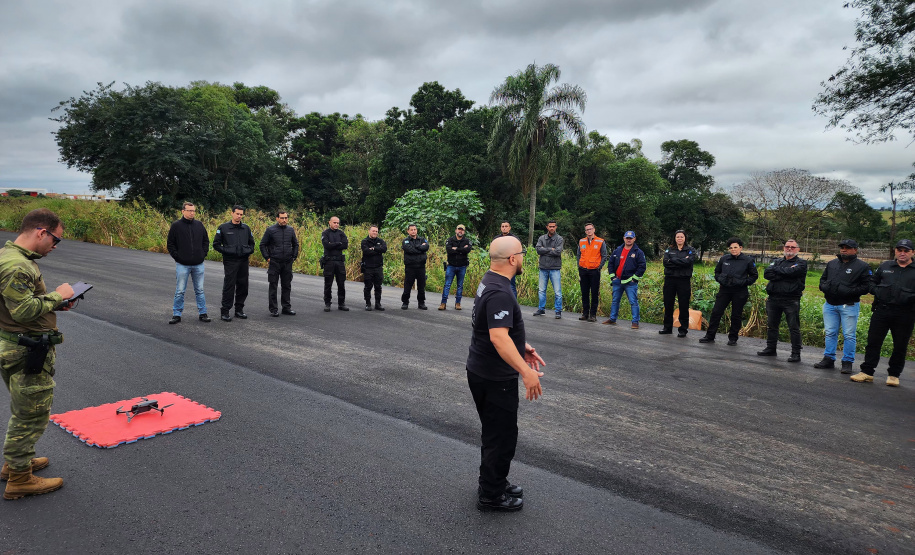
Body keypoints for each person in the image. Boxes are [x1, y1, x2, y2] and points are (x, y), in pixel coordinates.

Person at [466, 235, 545, 512]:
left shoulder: (490, 280)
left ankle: (494, 481)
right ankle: (491, 494)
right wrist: (525, 371)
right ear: (513, 259)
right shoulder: (500, 291)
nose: (523, 259)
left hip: (482, 369)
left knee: (495, 433)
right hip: (494, 377)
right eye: (522, 254)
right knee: (501, 437)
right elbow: (498, 337)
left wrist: (521, 347)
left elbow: (494, 328)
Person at [0, 208, 73, 500]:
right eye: (56, 239)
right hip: (25, 349)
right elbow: (23, 310)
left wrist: (53, 304)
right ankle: (19, 479)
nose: (55, 246)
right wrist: (58, 295)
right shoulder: (18, 265)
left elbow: (19, 304)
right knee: (31, 414)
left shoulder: (10, 257)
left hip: (16, 344)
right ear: (41, 232)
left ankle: (16, 463)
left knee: (24, 407)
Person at [850, 239, 915, 387]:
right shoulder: (885, 266)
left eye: (906, 250)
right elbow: (872, 282)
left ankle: (893, 375)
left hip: (905, 313)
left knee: (900, 345)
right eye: (899, 250)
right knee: (873, 342)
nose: (902, 253)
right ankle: (867, 372)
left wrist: (908, 297)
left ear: (912, 252)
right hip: (882, 310)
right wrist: (878, 291)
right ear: (895, 251)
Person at [814, 239, 872, 373]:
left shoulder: (863, 266)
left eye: (847, 247)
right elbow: (823, 279)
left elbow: (866, 286)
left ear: (855, 250)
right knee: (830, 333)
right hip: (830, 305)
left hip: (849, 305)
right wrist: (824, 287)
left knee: (849, 335)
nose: (844, 250)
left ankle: (847, 362)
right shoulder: (832, 263)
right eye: (842, 247)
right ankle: (828, 359)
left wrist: (849, 291)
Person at [699, 237, 758, 345]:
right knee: (716, 312)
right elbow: (717, 272)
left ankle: (733, 338)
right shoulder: (724, 259)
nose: (733, 249)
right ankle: (710, 336)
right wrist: (720, 279)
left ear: (740, 248)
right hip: (724, 290)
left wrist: (742, 282)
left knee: (736, 315)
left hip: (739, 291)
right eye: (731, 248)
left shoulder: (748, 261)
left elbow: (754, 276)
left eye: (735, 247)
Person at [758, 239, 808, 362]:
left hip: (791, 300)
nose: (789, 248)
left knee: (793, 327)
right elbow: (767, 274)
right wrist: (786, 273)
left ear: (797, 249)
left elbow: (793, 272)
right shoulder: (777, 261)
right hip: (773, 298)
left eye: (792, 247)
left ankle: (796, 353)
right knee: (772, 326)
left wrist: (779, 271)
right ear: (784, 248)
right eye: (787, 246)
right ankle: (771, 349)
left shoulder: (801, 263)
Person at [166, 202, 210, 324]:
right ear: (183, 211)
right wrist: (177, 257)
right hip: (182, 264)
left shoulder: (199, 225)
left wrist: (203, 254)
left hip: (198, 264)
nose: (192, 213)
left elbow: (206, 241)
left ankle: (203, 313)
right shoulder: (176, 226)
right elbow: (170, 244)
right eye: (189, 210)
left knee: (200, 290)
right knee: (180, 290)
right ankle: (177, 314)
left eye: (193, 211)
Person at [212, 205, 255, 322]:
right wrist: (228, 251)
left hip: (243, 261)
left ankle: (239, 310)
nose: (239, 216)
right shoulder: (223, 228)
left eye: (241, 214)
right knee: (229, 286)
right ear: (232, 213)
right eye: (237, 214)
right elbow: (216, 245)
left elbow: (252, 244)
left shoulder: (246, 228)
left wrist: (248, 251)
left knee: (243, 286)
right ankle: (225, 311)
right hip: (230, 261)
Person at [259, 211, 299, 317]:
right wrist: (267, 258)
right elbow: (262, 244)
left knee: (287, 285)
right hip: (275, 262)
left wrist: (294, 256)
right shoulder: (270, 230)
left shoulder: (290, 230)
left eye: (286, 218)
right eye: (282, 218)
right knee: (273, 285)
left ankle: (286, 307)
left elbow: (295, 244)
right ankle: (273, 309)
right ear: (277, 218)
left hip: (287, 262)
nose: (284, 220)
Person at [605, 231, 647, 329]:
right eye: (627, 238)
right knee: (615, 301)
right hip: (617, 281)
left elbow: (642, 266)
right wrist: (613, 277)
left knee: (633, 302)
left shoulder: (638, 252)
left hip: (630, 282)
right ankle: (612, 319)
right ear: (624, 238)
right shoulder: (617, 250)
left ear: (634, 239)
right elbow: (610, 264)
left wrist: (634, 278)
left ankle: (635, 322)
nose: (629, 240)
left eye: (630, 238)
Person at [660, 230, 696, 337]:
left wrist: (673, 260)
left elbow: (689, 262)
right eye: (677, 237)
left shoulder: (690, 250)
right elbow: (666, 262)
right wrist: (682, 261)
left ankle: (683, 329)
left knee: (683, 305)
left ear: (685, 238)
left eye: (681, 237)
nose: (679, 238)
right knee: (668, 304)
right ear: (675, 238)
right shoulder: (669, 249)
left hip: (683, 280)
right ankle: (667, 328)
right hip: (670, 280)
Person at [576, 223, 607, 322]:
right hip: (583, 270)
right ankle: (585, 313)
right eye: (587, 229)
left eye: (590, 229)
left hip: (594, 271)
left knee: (594, 293)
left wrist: (599, 267)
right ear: (585, 231)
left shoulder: (600, 241)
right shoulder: (582, 241)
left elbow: (604, 256)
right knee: (584, 292)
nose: (588, 231)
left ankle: (593, 315)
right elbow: (578, 255)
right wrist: (579, 266)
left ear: (594, 229)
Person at [533, 220, 564, 319]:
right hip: (543, 268)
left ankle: (558, 311)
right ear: (547, 227)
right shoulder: (542, 238)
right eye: (550, 226)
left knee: (557, 292)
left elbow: (558, 252)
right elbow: (538, 250)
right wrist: (551, 249)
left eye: (553, 226)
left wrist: (545, 250)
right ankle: (541, 309)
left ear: (556, 227)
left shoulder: (559, 239)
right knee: (541, 290)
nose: (552, 228)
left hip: (555, 268)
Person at [440, 224, 472, 310]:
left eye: (462, 230)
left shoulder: (467, 241)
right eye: (459, 229)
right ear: (456, 230)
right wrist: (462, 249)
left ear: (464, 232)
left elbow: (468, 250)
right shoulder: (450, 240)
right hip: (451, 266)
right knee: (447, 285)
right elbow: (449, 250)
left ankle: (458, 303)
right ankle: (443, 303)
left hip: (462, 266)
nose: (460, 231)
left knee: (460, 285)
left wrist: (456, 249)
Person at [321, 216, 349, 312]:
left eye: (338, 223)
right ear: (330, 222)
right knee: (328, 283)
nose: (336, 224)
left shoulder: (341, 233)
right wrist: (338, 243)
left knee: (341, 283)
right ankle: (327, 303)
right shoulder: (325, 233)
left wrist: (333, 244)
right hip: (329, 262)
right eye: (334, 222)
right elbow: (326, 245)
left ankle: (341, 303)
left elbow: (345, 245)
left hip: (339, 262)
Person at [401, 224, 429, 310]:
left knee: (421, 286)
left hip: (421, 266)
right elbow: (409, 250)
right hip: (410, 267)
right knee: (408, 285)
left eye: (415, 229)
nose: (413, 231)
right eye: (411, 230)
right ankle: (405, 302)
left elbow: (426, 247)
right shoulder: (406, 241)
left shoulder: (422, 239)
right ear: (408, 231)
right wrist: (420, 248)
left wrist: (417, 247)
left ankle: (421, 303)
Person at [361, 225, 387, 311]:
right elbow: (366, 251)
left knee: (378, 287)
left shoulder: (380, 241)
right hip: (368, 267)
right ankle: (368, 304)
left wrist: (373, 248)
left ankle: (378, 304)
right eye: (373, 231)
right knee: (368, 286)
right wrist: (378, 250)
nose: (375, 233)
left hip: (378, 267)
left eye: (376, 231)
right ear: (369, 231)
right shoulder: (365, 241)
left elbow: (384, 249)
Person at [492, 221, 520, 298]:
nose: (504, 228)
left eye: (506, 226)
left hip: (510, 265)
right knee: (498, 285)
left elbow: (517, 251)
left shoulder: (514, 239)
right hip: (499, 265)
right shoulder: (496, 239)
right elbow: (493, 251)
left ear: (509, 228)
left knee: (511, 285)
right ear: (500, 228)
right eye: (503, 226)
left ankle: (513, 303)